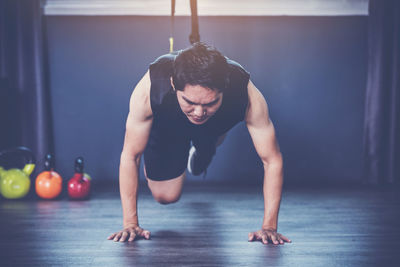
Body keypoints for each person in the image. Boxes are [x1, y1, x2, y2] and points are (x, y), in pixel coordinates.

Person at [107, 43, 291, 245]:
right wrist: (130, 223)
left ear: (225, 88)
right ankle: (199, 140)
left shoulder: (245, 93)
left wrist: (269, 227)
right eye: (190, 102)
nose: (199, 112)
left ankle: (209, 141)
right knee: (165, 196)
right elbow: (130, 155)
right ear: (173, 84)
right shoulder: (151, 87)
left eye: (210, 102)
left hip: (217, 122)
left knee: (208, 127)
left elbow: (272, 160)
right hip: (168, 126)